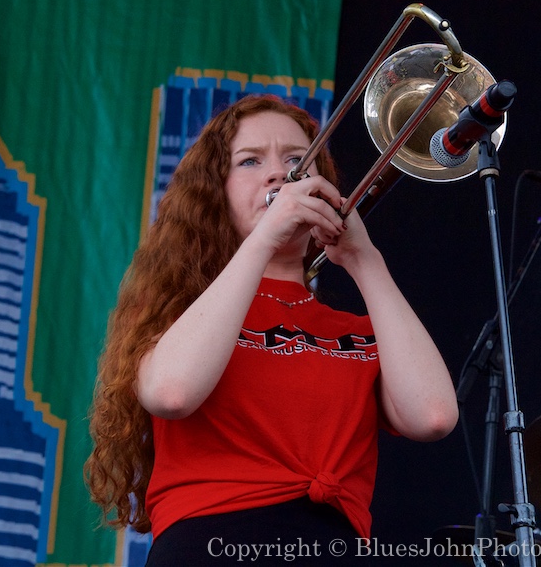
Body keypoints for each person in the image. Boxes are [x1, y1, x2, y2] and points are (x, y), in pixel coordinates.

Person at [85, 94, 458, 564]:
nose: (280, 174)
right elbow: (172, 392)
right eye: (250, 161)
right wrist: (264, 238)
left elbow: (433, 416)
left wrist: (364, 261)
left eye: (298, 160)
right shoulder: (181, 310)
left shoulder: (360, 330)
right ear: (214, 192)